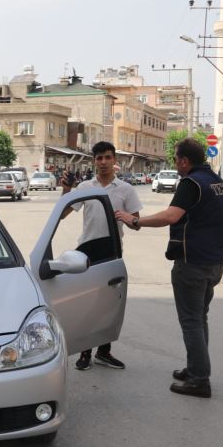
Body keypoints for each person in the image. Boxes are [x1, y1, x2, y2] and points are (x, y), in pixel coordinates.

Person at [115, 138, 223, 399]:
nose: (175, 164)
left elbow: (170, 216)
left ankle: (199, 380)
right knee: (199, 319)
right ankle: (195, 369)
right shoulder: (217, 181)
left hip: (193, 263)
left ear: (184, 161)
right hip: (214, 263)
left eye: (176, 159)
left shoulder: (191, 183)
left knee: (191, 321)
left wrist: (135, 220)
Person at [72, 142, 142, 371]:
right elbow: (63, 213)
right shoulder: (85, 186)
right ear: (94, 161)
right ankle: (85, 353)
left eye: (107, 158)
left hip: (112, 251)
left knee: (110, 303)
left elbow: (136, 223)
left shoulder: (125, 189)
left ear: (114, 161)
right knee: (87, 302)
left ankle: (104, 352)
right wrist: (66, 193)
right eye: (99, 158)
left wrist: (126, 217)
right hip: (87, 249)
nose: (103, 162)